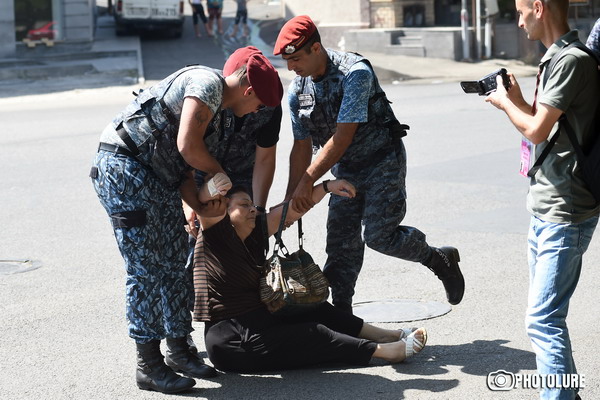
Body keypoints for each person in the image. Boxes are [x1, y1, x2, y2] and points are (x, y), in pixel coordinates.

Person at [91, 48, 282, 393]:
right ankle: (148, 364)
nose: (259, 113)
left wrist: (197, 204)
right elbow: (187, 145)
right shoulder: (206, 84)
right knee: (147, 268)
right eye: (259, 105)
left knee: (175, 261)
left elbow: (182, 164)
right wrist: (219, 172)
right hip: (125, 168)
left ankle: (179, 349)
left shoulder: (222, 112)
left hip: (158, 175)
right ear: (249, 91)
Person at [273, 15, 465, 314]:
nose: (291, 67)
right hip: (345, 169)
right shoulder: (299, 90)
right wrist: (290, 200)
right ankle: (341, 313)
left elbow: (342, 137)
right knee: (340, 244)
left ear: (316, 49)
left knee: (379, 236)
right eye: (287, 61)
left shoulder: (355, 73)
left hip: (382, 160)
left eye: (296, 58)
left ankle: (438, 259)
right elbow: (300, 148)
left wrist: (307, 183)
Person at [485, 1, 599, 399]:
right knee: (548, 318)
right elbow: (549, 124)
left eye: (520, 11)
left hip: (564, 210)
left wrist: (504, 106)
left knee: (543, 321)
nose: (517, 21)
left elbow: (535, 132)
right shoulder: (555, 59)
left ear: (539, 7)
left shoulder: (570, 61)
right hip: (546, 205)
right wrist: (515, 99)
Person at [193, 182, 428, 372]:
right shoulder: (215, 236)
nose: (253, 209)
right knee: (314, 333)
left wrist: (325, 187)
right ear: (223, 209)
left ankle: (387, 336)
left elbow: (291, 210)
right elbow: (203, 200)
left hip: (262, 322)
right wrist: (213, 185)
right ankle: (385, 351)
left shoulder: (254, 233)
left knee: (315, 308)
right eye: (244, 205)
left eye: (253, 205)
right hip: (234, 343)